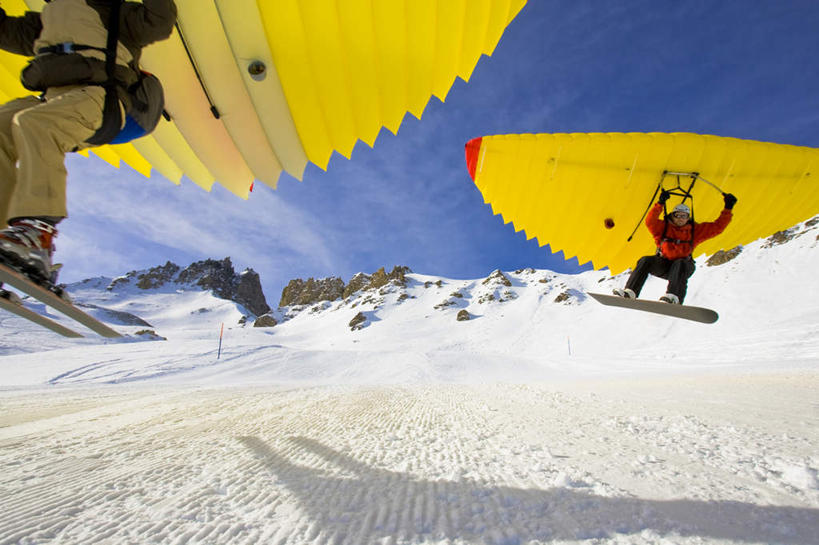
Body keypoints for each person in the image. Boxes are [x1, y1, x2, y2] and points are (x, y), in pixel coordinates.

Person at [0, 0, 176, 286]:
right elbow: (6, 31)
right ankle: (9, 241)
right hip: (52, 97)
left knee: (35, 124)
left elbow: (158, 20)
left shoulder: (115, 11)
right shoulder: (49, 17)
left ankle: (37, 234)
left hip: (100, 97)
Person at [613, 189, 737, 304]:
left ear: (688, 218)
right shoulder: (663, 228)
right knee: (645, 260)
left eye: (684, 216)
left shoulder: (695, 231)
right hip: (665, 265)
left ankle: (673, 297)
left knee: (680, 263)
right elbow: (650, 221)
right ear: (672, 216)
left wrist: (728, 208)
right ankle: (630, 292)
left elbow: (717, 227)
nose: (680, 219)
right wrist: (660, 203)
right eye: (677, 215)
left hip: (683, 267)